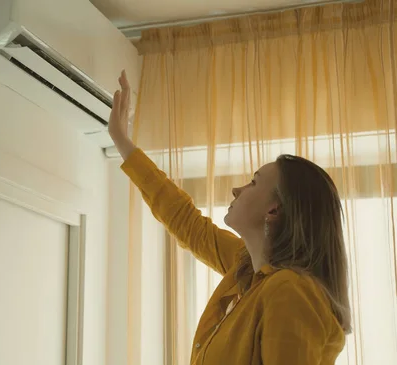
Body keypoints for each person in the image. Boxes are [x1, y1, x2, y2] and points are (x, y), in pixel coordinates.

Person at [110, 70, 351, 364]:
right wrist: (123, 143)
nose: (237, 189)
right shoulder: (248, 269)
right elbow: (187, 223)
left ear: (274, 210)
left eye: (253, 182)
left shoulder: (291, 291)